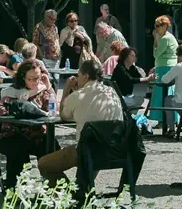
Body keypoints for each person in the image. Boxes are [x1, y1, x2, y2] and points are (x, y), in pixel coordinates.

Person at [38, 60, 124, 188]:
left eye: (78, 76)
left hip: (87, 150)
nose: (77, 79)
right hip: (114, 148)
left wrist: (66, 90)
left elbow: (64, 116)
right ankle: (81, 189)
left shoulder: (78, 96)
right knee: (93, 145)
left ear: (86, 76)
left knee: (43, 164)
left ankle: (69, 192)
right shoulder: (112, 92)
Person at [0, 59, 55, 189]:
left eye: (38, 78)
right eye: (31, 79)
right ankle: (13, 189)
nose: (35, 82)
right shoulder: (10, 92)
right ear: (23, 78)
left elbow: (52, 108)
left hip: (35, 134)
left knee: (51, 145)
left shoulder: (42, 89)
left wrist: (49, 86)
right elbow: (1, 112)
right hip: (11, 134)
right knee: (18, 149)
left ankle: (54, 186)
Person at [149, 15, 179, 124]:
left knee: (162, 93)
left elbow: (156, 54)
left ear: (165, 26)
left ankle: (164, 119)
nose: (156, 28)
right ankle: (167, 120)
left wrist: (156, 40)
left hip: (164, 68)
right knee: (165, 93)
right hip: (165, 67)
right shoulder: (169, 37)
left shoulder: (165, 38)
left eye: (158, 26)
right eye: (155, 26)